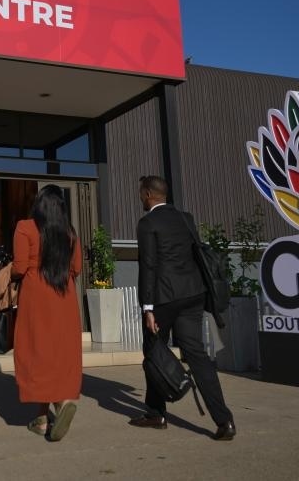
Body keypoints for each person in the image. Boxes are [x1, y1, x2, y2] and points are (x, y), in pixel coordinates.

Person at [129, 175, 236, 440]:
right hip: (193, 294)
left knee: (153, 351)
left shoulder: (147, 223)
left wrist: (147, 307)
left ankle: (156, 413)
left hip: (164, 298)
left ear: (148, 194)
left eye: (141, 193)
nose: (140, 197)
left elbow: (148, 265)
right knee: (197, 355)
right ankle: (224, 421)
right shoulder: (186, 218)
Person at [11, 185, 83, 441]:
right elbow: (76, 268)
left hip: (35, 295)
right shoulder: (70, 233)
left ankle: (59, 406)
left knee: (35, 351)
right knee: (59, 352)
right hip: (64, 295)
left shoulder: (25, 227)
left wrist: (7, 273)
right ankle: (43, 418)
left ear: (39, 204)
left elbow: (19, 267)